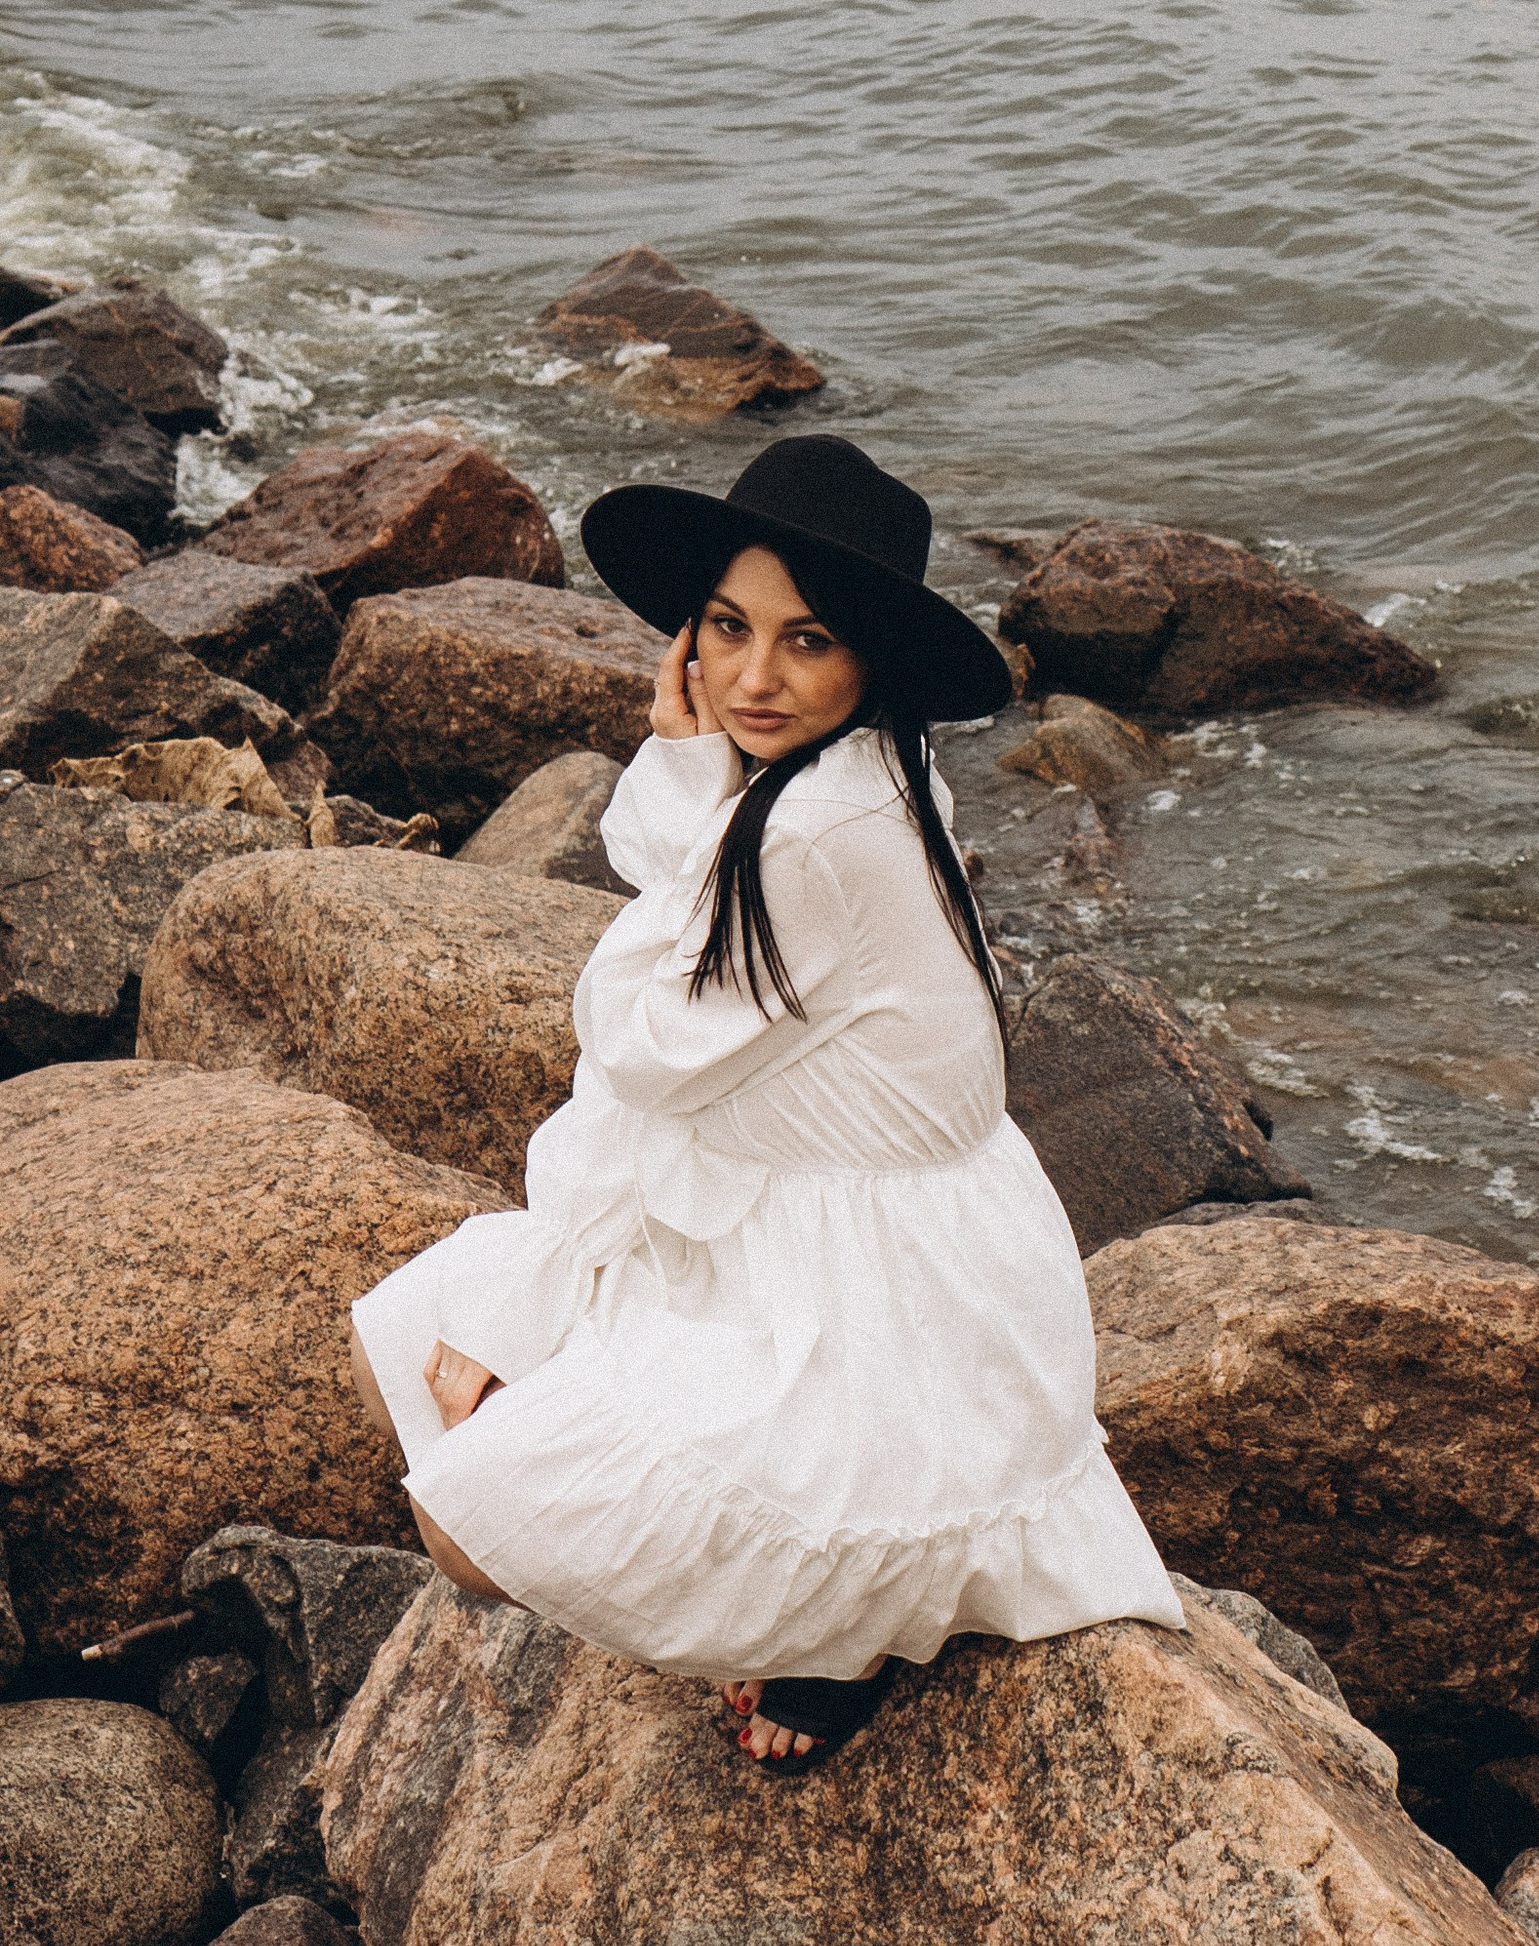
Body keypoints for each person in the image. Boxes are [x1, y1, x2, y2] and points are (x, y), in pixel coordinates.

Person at [346, 434, 1184, 1766]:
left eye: (806, 642)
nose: (750, 677)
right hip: (898, 1259)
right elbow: (675, 1055)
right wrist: (541, 1295)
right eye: (729, 629)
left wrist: (676, 772)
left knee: (469, 1517)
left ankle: (847, 1630)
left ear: (871, 663)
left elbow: (635, 1044)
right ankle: (833, 1594)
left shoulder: (814, 835)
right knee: (462, 1374)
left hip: (895, 1326)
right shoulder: (858, 777)